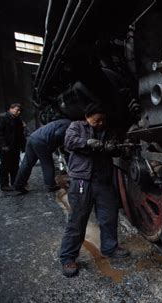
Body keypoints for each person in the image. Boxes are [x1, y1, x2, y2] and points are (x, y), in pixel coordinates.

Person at [59, 103, 129, 277]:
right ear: (87, 117)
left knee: (109, 216)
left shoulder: (107, 131)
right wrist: (88, 142)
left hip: (102, 180)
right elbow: (69, 142)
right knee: (77, 219)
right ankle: (68, 258)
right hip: (82, 180)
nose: (100, 123)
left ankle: (110, 247)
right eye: (97, 120)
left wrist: (113, 148)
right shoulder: (76, 126)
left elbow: (115, 149)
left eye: (102, 120)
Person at [13, 118, 72, 194]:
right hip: (42, 142)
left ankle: (18, 185)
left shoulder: (63, 121)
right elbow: (58, 134)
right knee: (47, 164)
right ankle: (51, 185)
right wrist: (54, 146)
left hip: (33, 138)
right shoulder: (70, 125)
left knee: (27, 163)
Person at [0, 103, 26, 191]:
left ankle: (15, 183)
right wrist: (3, 145)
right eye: (16, 110)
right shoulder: (0, 118)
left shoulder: (18, 120)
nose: (18, 112)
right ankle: (4, 185)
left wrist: (23, 146)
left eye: (20, 111)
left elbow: (20, 135)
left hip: (15, 146)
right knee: (5, 166)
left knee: (15, 165)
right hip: (5, 147)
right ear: (11, 108)